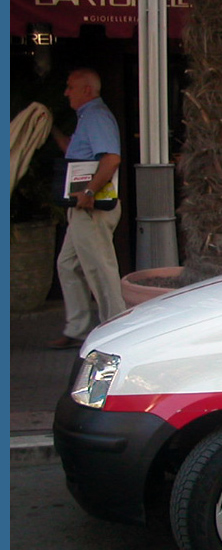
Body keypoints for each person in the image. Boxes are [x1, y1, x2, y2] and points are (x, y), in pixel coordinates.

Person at [47, 68, 126, 349]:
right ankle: (78, 328)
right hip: (83, 207)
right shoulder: (87, 117)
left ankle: (116, 330)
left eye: (70, 87)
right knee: (68, 264)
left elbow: (112, 157)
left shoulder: (96, 116)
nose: (66, 92)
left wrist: (90, 191)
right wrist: (51, 128)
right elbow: (73, 149)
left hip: (90, 207)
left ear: (87, 90)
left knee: (99, 267)